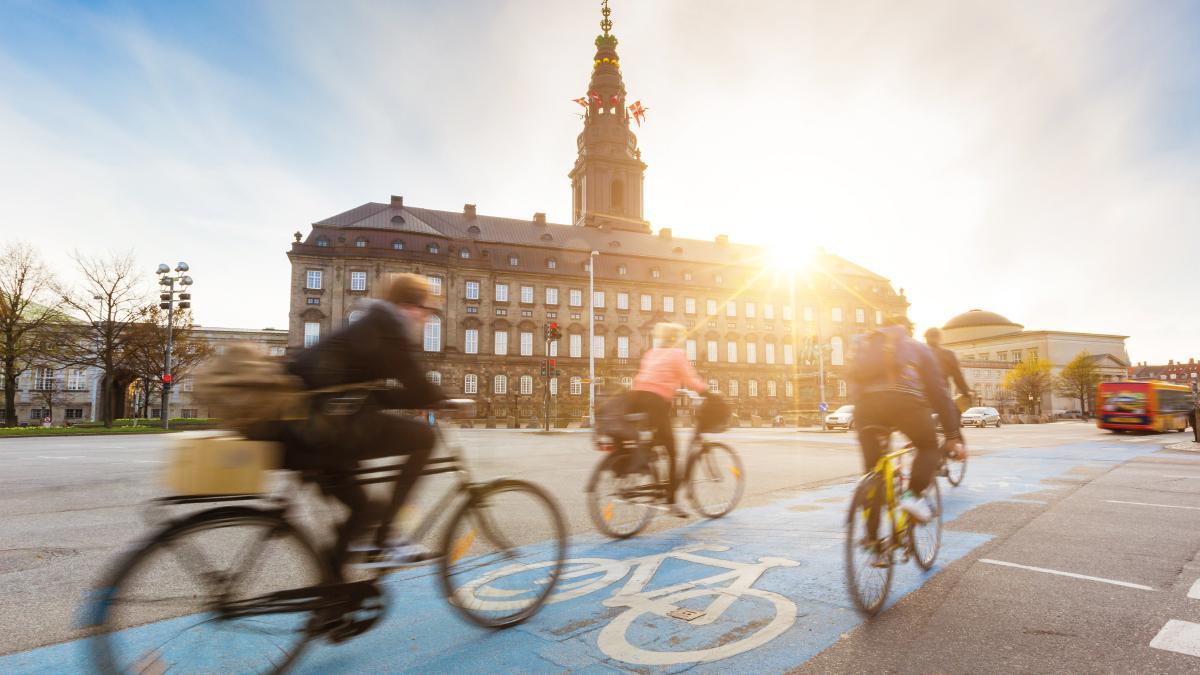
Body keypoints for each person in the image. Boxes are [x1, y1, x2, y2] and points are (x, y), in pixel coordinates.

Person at [280, 273, 444, 571]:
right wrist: (443, 399)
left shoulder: (373, 323)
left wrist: (418, 397)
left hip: (308, 428)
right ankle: (386, 538)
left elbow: (376, 396)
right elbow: (417, 387)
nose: (428, 317)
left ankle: (332, 602)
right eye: (426, 308)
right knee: (424, 438)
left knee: (365, 511)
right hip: (320, 431)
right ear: (408, 305)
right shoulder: (389, 327)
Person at [848, 315, 966, 524]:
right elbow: (938, 393)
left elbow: (852, 379)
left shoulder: (864, 344)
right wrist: (952, 434)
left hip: (866, 408)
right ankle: (912, 496)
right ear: (907, 329)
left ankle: (873, 544)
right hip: (905, 403)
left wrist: (862, 407)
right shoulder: (917, 348)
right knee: (928, 446)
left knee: (873, 472)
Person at [629, 322, 708, 517]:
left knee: (653, 441)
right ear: (675, 339)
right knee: (672, 452)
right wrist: (708, 391)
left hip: (637, 398)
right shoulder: (676, 354)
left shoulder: (651, 353)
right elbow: (690, 380)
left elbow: (645, 378)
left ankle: (643, 461)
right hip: (656, 403)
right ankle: (672, 502)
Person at [924, 327, 971, 405]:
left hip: (922, 396)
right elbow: (958, 376)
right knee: (948, 415)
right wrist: (965, 392)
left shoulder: (919, 353)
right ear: (939, 338)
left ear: (926, 338)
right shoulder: (948, 354)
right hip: (941, 395)